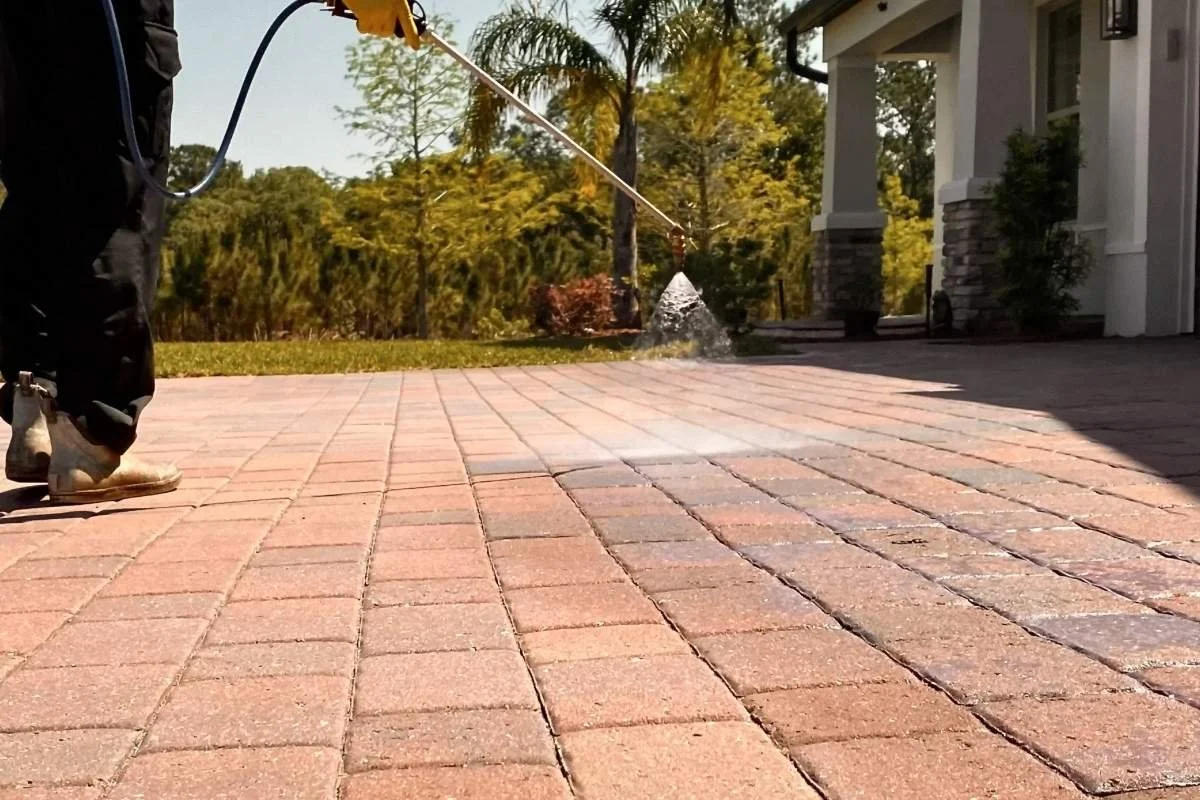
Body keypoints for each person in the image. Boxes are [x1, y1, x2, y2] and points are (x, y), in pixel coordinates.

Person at [0, 0, 182, 503]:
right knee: (115, 201)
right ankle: (89, 442)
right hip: (110, 20)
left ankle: (34, 409)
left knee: (38, 194)